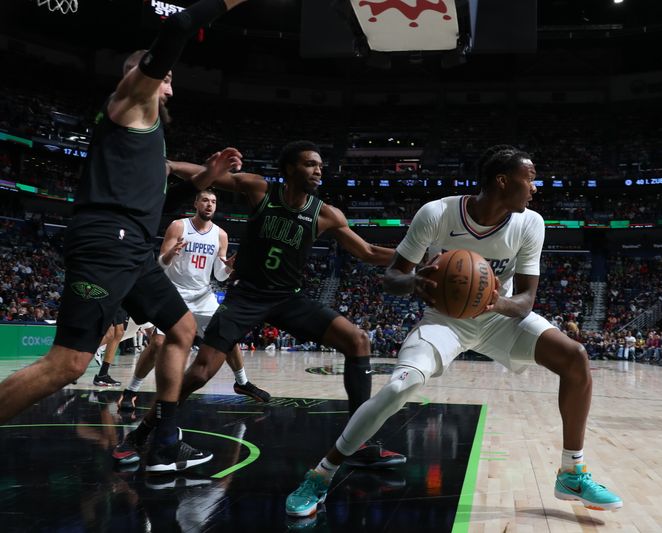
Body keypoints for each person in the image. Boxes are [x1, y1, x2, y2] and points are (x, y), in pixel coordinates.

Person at [286, 145, 622, 518]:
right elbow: (392, 275)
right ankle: (320, 474)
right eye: (529, 179)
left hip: (500, 318)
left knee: (575, 357)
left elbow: (525, 300)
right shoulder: (437, 213)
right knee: (400, 386)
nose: (534, 188)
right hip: (444, 321)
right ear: (502, 180)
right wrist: (414, 282)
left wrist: (493, 302)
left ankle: (572, 472)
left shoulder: (531, 223)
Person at [0, 0, 250, 475]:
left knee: (182, 330)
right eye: (165, 74)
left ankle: (163, 442)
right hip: (106, 241)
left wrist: (206, 177)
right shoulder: (133, 98)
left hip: (132, 246)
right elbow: (178, 25)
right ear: (140, 73)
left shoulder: (147, 133)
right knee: (68, 364)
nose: (170, 83)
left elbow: (155, 197)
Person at [114, 141, 406, 468]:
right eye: (310, 164)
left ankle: (357, 443)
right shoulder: (260, 189)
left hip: (287, 299)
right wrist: (169, 165)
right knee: (200, 372)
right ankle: (141, 434)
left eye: (320, 165)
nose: (318, 170)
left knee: (358, 340)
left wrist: (417, 259)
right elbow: (207, 175)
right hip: (245, 296)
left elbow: (367, 252)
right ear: (289, 169)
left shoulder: (325, 214)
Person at [116, 188, 270, 414]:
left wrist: (229, 266)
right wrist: (171, 254)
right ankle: (131, 390)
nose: (210, 205)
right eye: (205, 200)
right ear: (196, 204)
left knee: (226, 333)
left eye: (214, 202)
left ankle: (242, 382)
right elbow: (161, 264)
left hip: (203, 294)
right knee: (158, 344)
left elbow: (219, 275)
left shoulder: (221, 234)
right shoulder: (179, 226)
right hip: (174, 293)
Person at [92, 309, 126, 387]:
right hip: (109, 299)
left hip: (120, 300)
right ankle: (73, 357)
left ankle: (103, 374)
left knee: (119, 333)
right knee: (110, 334)